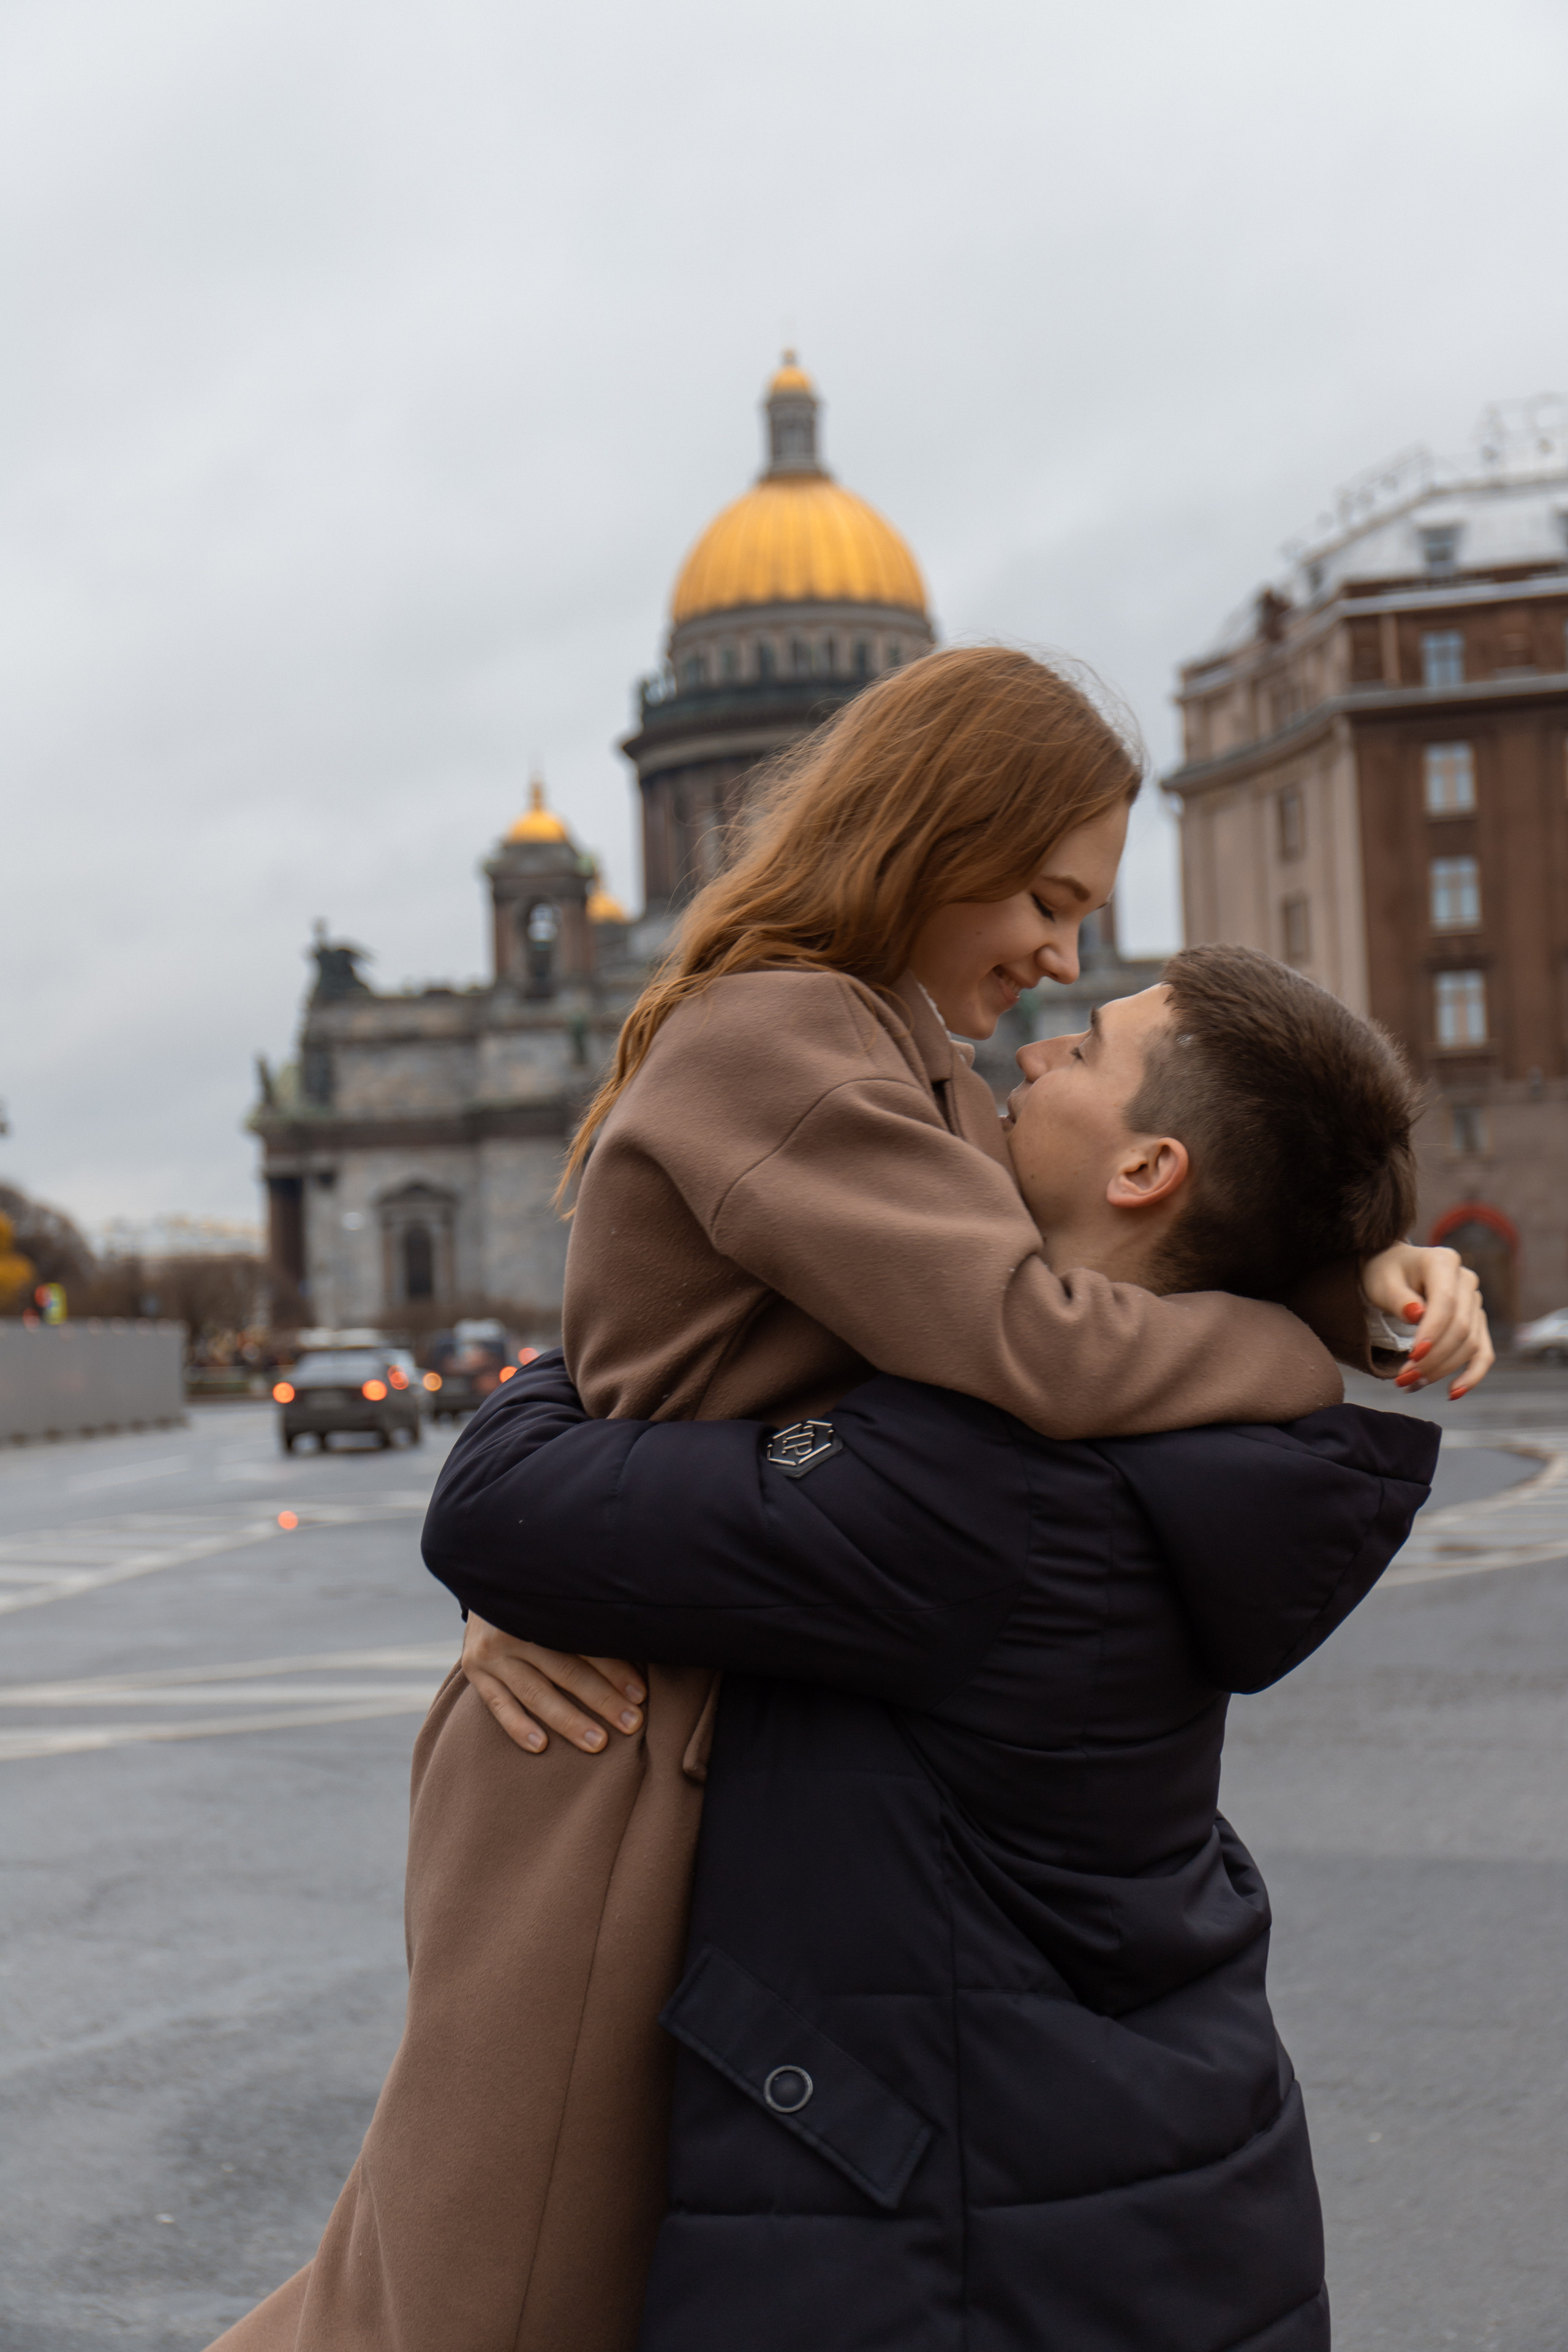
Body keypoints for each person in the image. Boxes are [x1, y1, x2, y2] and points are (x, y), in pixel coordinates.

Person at [209, 652, 1486, 2352]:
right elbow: (1038, 1326)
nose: (1058, 966)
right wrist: (1289, 1339)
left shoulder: (906, 1062)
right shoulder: (798, 1038)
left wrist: (1349, 1267)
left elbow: (1075, 1262)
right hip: (605, 1737)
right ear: (932, 835)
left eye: (1083, 928)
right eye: (1044, 900)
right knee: (476, 2287)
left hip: (675, 1643)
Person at [423, 946, 1444, 2351]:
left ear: (1147, 1170)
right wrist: (1330, 1285)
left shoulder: (971, 1494)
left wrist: (632, 1318)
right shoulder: (1188, 1424)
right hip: (1137, 2195)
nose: (1026, 1052)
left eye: (1082, 1049)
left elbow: (497, 1511)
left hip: (936, 2249)